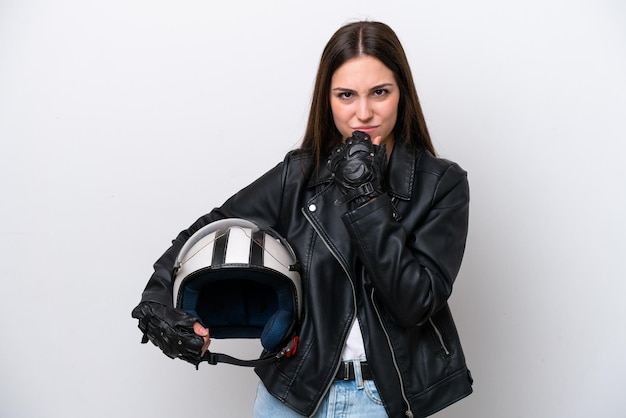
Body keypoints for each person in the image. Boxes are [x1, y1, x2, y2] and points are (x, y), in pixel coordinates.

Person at [132, 21, 473, 418]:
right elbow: (212, 228)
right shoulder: (300, 174)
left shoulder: (442, 185)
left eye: (380, 92)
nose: (364, 112)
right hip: (290, 395)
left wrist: (365, 198)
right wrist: (157, 302)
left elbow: (414, 303)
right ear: (327, 100)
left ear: (402, 94)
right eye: (346, 95)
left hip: (378, 400)